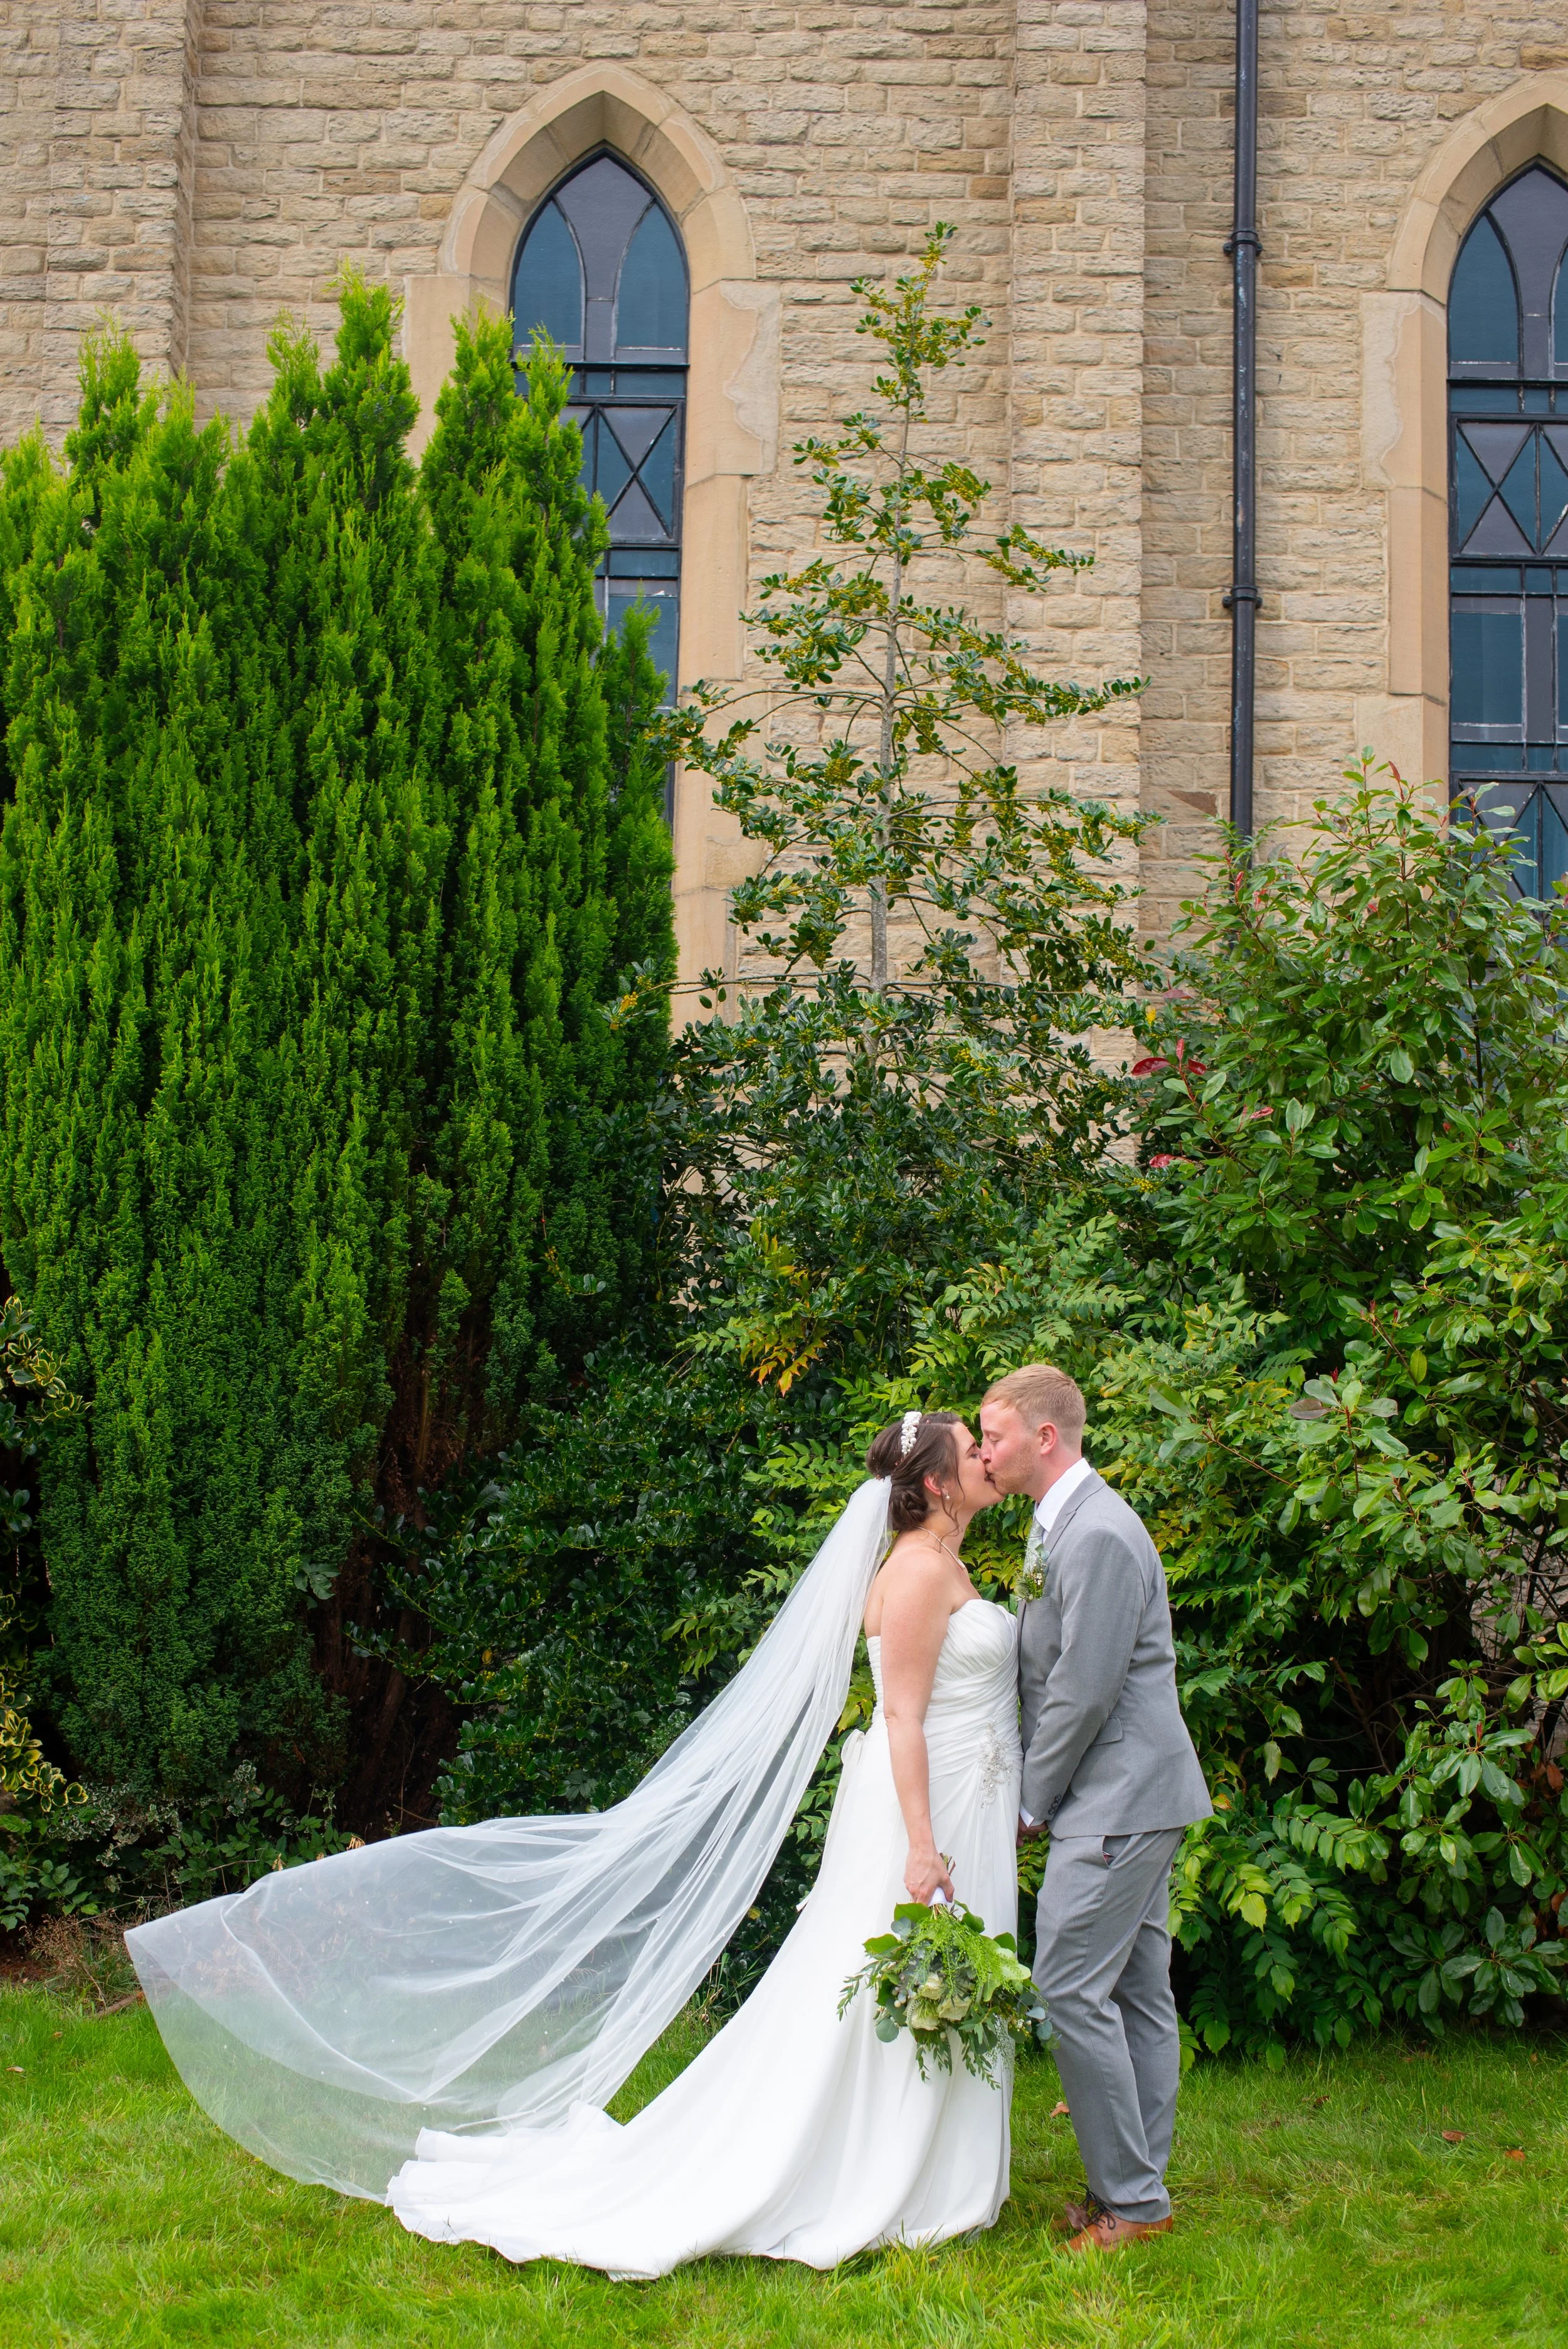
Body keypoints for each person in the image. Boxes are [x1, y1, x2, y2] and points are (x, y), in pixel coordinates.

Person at [129, 1413, 1023, 2278]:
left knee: (900, 1980)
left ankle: (919, 2156)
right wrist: (920, 1843)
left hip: (957, 1797)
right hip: (919, 1813)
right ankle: (859, 2166)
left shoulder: (944, 1561)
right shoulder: (913, 1576)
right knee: (869, 1983)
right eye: (969, 1450)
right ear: (937, 1484)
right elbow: (902, 1715)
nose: (987, 1457)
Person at [979, 1362, 1211, 2256]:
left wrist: (1031, 1801)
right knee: (1139, 1994)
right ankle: (1135, 2191)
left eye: (994, 1436)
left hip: (1117, 1799)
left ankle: (1134, 2206)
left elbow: (1082, 1689)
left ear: (1045, 1438)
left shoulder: (1100, 1535)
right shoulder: (1061, 1526)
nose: (984, 1451)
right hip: (1130, 1795)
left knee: (1070, 1987)